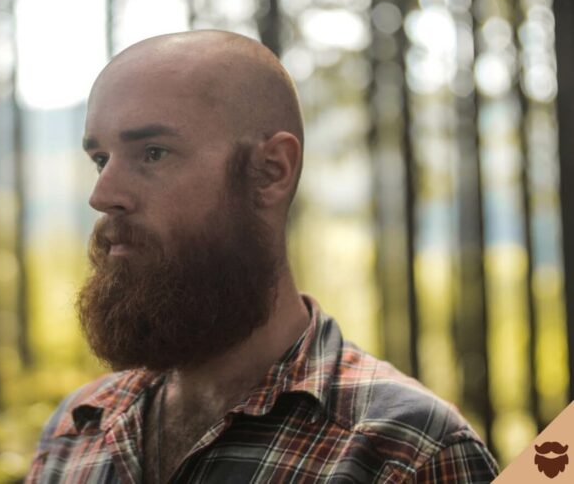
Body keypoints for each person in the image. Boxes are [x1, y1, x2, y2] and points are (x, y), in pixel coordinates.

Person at [27, 30, 499, 483]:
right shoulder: (75, 433)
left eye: (153, 153)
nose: (102, 194)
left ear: (270, 171)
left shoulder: (408, 455)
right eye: (100, 159)